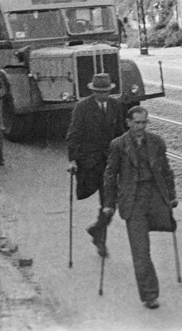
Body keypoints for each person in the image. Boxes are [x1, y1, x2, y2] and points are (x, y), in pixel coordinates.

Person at [102, 106, 177, 310]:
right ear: (128, 122)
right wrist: (109, 204)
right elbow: (110, 176)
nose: (140, 127)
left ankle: (149, 290)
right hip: (132, 202)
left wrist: (171, 196)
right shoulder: (118, 145)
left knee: (169, 227)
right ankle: (149, 294)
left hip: (154, 198)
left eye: (144, 122)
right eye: (136, 122)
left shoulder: (156, 142)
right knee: (141, 252)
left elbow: (166, 171)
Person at [66, 73, 127, 257]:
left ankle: (98, 233)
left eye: (106, 92)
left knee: (110, 202)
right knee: (103, 199)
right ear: (93, 91)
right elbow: (73, 134)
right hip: (90, 161)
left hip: (110, 161)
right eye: (99, 92)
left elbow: (120, 132)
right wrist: (72, 160)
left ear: (110, 91)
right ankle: (100, 237)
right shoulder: (82, 107)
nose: (103, 95)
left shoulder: (115, 105)